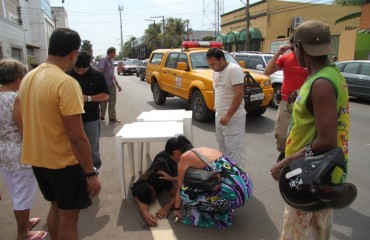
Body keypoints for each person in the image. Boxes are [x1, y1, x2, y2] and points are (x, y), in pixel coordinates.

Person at [270, 20, 350, 239]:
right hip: (313, 174)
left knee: (303, 234)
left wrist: (285, 162)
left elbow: (326, 140)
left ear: (299, 47)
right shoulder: (328, 75)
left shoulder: (322, 83)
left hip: (312, 177)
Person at [19, 28, 101, 240]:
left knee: (56, 207)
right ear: (74, 53)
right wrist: (91, 174)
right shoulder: (65, 83)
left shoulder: (29, 76)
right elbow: (76, 136)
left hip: (39, 160)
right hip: (63, 163)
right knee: (69, 217)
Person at [0, 59, 48, 240]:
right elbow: (24, 130)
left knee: (14, 191)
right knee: (23, 194)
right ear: (18, 78)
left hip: (3, 152)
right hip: (19, 153)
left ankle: (24, 223)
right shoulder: (15, 98)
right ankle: (23, 233)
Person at [169, 136, 253, 228]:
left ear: (175, 153)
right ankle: (223, 207)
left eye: (171, 157)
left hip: (234, 197)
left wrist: (177, 209)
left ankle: (217, 218)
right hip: (246, 186)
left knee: (185, 193)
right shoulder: (200, 150)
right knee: (200, 188)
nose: (174, 160)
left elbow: (180, 186)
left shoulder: (184, 158)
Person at [264, 35, 308, 162]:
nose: (295, 51)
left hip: (304, 103)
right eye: (292, 47)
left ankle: (297, 158)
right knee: (281, 134)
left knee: (301, 135)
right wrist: (278, 53)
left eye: (296, 48)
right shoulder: (286, 58)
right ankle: (283, 153)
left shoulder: (308, 61)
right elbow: (267, 71)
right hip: (286, 102)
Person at [131, 138, 192, 227]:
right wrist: (144, 214)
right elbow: (137, 197)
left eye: (153, 198)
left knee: (187, 182)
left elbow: (179, 193)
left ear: (152, 188)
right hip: (161, 157)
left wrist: (167, 207)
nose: (154, 199)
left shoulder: (161, 178)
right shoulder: (139, 184)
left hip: (168, 161)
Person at [67, 51, 110, 170]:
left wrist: (88, 98)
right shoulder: (67, 74)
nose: (80, 71)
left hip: (91, 118)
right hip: (70, 118)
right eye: (77, 69)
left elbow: (106, 95)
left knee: (92, 148)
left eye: (83, 69)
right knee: (72, 147)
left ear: (89, 65)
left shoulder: (97, 75)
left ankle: (94, 171)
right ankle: (78, 172)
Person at [206, 48, 247, 168]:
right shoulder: (215, 73)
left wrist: (228, 115)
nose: (211, 67)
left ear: (222, 59)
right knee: (222, 150)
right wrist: (215, 105)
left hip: (233, 119)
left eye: (213, 64)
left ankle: (239, 181)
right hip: (219, 117)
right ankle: (228, 176)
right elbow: (216, 89)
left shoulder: (233, 70)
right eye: (209, 64)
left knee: (235, 152)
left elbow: (239, 94)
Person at [98, 47, 122, 123]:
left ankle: (112, 118)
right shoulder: (103, 60)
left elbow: (112, 75)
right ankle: (101, 117)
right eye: (115, 53)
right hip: (105, 84)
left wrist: (117, 85)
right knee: (103, 101)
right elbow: (100, 72)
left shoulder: (111, 61)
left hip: (112, 84)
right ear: (111, 52)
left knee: (112, 101)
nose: (115, 54)